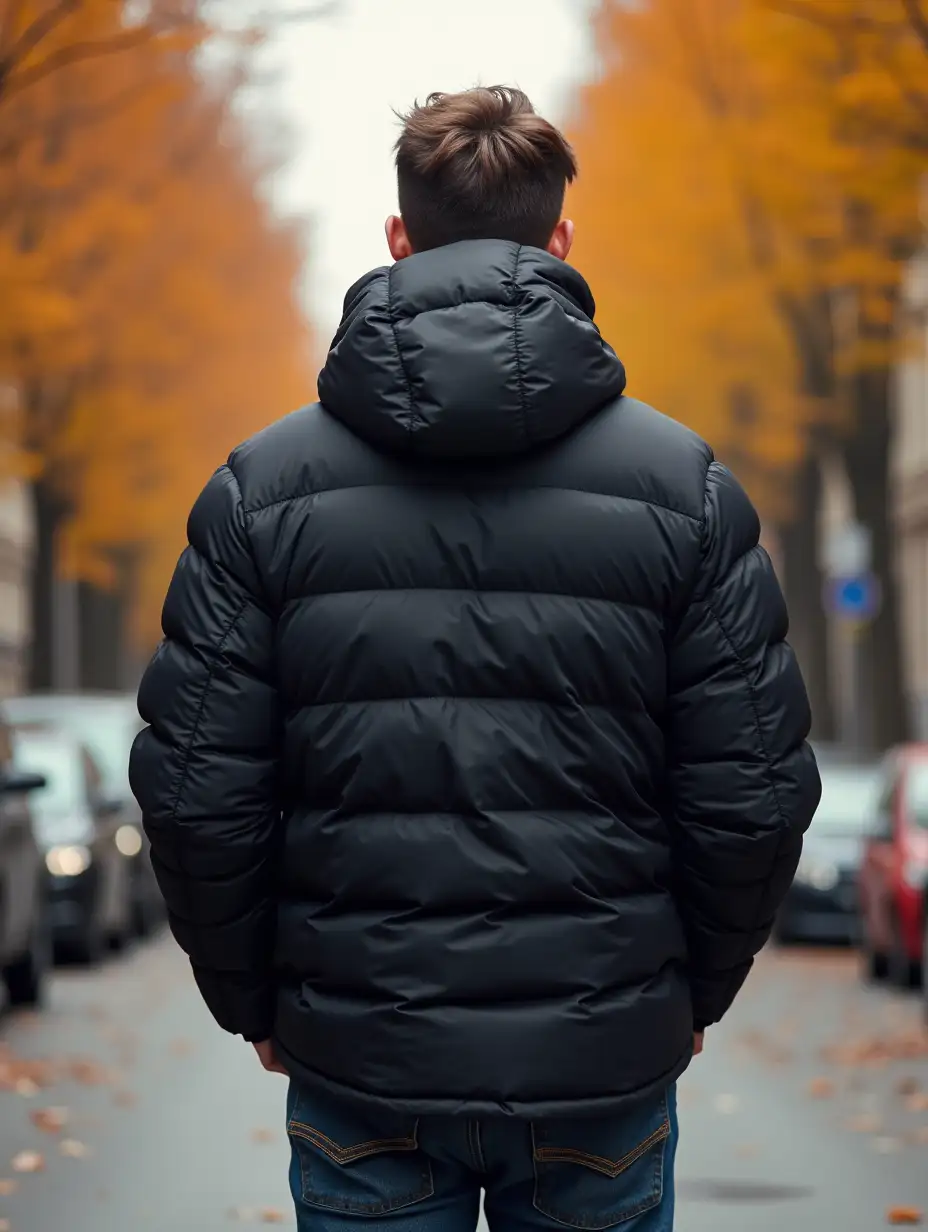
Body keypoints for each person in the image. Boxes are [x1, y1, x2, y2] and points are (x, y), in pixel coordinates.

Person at [130, 85, 821, 1232]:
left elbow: (197, 789)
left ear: (397, 240)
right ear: (560, 240)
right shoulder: (687, 492)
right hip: (604, 1060)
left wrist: (256, 997)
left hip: (360, 1058)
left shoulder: (260, 493)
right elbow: (750, 789)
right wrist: (686, 990)